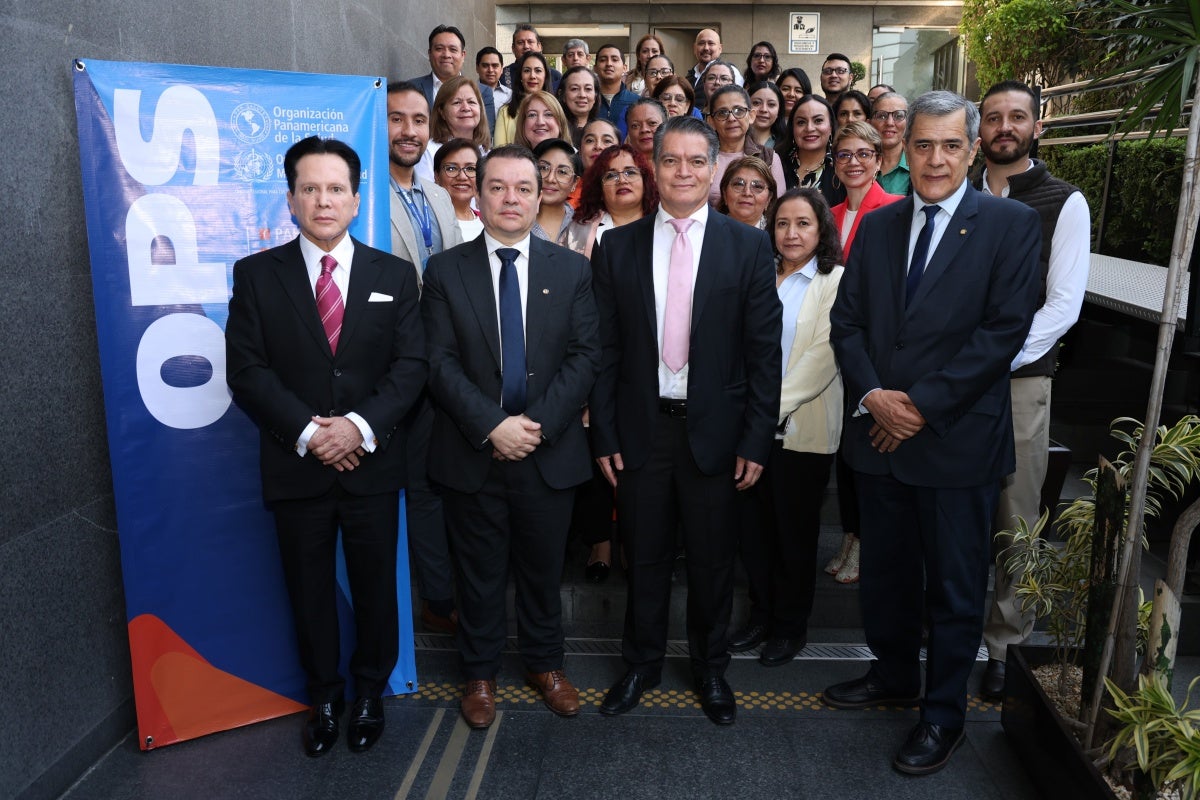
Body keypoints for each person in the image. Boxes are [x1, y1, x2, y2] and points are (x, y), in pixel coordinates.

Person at [824, 91, 1041, 775]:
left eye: (951, 145)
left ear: (973, 148)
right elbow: (848, 325)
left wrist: (916, 407)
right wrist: (876, 398)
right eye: (923, 144)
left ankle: (943, 716)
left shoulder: (1009, 224)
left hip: (955, 442)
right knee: (886, 579)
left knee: (952, 589)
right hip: (880, 439)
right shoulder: (882, 225)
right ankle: (892, 675)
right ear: (904, 148)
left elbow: (1003, 333)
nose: (936, 158)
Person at [225, 136, 427, 756]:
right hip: (298, 466)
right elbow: (248, 372)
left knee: (374, 587)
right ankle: (326, 696)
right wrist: (314, 434)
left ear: (356, 198)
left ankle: (369, 692)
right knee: (306, 589)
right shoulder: (257, 275)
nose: (322, 200)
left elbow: (411, 366)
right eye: (309, 189)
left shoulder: (394, 274)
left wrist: (358, 428)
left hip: (372, 461)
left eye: (335, 188)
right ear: (289, 200)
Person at [590, 115, 782, 726]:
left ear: (713, 171)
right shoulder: (617, 246)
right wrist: (606, 433)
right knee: (643, 557)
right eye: (670, 160)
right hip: (643, 430)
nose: (683, 172)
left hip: (717, 434)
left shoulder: (748, 244)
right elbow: (605, 349)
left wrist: (756, 436)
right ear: (655, 167)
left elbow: (763, 352)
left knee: (711, 560)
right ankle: (641, 665)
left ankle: (709, 667)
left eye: (696, 162)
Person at [421, 144, 600, 730]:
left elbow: (583, 357)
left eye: (523, 187)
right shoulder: (445, 270)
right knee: (477, 573)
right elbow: (439, 362)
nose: (511, 199)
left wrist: (534, 427)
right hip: (474, 450)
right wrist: (492, 425)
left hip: (546, 452)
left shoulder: (572, 269)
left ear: (541, 192)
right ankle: (478, 674)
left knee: (543, 571)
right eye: (497, 187)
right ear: (477, 192)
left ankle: (546, 666)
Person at [975, 80, 1090, 702]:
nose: (1004, 127)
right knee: (956, 515)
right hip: (953, 389)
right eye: (993, 117)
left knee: (1015, 517)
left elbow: (1063, 305)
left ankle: (1005, 646)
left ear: (1036, 128)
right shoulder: (956, 193)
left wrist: (994, 360)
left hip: (1020, 383)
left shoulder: (1064, 202)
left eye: (1016, 117)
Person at [725, 187, 844, 665]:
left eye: (803, 224)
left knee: (793, 536)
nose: (792, 233)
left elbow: (823, 358)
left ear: (821, 230)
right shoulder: (756, 275)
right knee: (752, 534)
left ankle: (790, 627)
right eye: (782, 223)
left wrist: (760, 412)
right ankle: (761, 615)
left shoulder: (835, 280)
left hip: (801, 434)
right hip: (746, 431)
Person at [384, 82, 464, 638]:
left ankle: (451, 590)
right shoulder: (362, 196)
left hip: (451, 366)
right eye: (396, 120)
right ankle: (436, 597)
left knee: (450, 487)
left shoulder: (438, 195)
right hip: (395, 369)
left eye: (418, 120)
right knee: (418, 488)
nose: (410, 132)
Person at [565, 142, 658, 258]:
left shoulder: (665, 223)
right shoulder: (579, 231)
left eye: (630, 172)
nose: (622, 180)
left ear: (645, 183)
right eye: (611, 175)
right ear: (599, 190)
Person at [829, 120, 903, 258]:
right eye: (844, 155)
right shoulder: (829, 215)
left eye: (863, 154)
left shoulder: (898, 208)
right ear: (835, 163)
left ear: (878, 161)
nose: (853, 162)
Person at [410, 26, 496, 141]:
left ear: (463, 55)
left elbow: (485, 134)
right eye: (439, 49)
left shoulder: (483, 91)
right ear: (430, 54)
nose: (446, 55)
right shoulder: (411, 89)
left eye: (453, 49)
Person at [706, 85, 786, 206]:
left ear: (751, 116)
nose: (731, 118)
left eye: (739, 111)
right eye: (722, 113)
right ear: (711, 122)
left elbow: (778, 207)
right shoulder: (701, 157)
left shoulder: (768, 158)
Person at [416, 76, 491, 184]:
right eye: (457, 102)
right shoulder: (428, 152)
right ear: (442, 112)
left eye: (471, 102)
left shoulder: (487, 153)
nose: (465, 108)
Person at [776, 94, 845, 207]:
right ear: (792, 128)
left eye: (818, 121)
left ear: (831, 126)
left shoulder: (842, 168)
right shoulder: (776, 163)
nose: (809, 128)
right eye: (801, 122)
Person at [494, 51, 551, 147]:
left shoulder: (556, 110)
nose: (532, 76)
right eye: (527, 71)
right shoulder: (505, 112)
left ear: (545, 76)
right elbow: (499, 153)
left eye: (538, 70)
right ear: (520, 76)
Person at [532, 138, 580, 245]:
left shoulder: (583, 226)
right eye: (543, 168)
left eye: (562, 172)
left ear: (574, 183)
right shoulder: (516, 220)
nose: (551, 179)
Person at [434, 138, 484, 240]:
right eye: (451, 168)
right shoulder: (430, 222)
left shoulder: (489, 222)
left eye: (470, 169)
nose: (462, 177)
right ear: (437, 176)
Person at [686, 29, 744, 111]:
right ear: (695, 48)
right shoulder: (690, 75)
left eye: (711, 43)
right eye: (701, 43)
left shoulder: (730, 71)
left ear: (720, 48)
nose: (706, 48)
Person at [715, 155, 776, 228]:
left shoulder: (777, 236)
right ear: (725, 194)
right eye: (739, 184)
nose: (747, 193)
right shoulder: (707, 232)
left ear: (769, 199)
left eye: (757, 186)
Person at [595, 44, 640, 139]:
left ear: (624, 68)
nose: (609, 64)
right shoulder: (588, 101)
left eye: (614, 59)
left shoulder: (637, 102)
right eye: (603, 60)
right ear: (595, 68)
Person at [871, 92, 911, 195]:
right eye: (882, 116)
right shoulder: (859, 162)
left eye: (898, 116)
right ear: (870, 122)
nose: (889, 123)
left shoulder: (916, 164)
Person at [501, 24, 562, 91]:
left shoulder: (555, 76)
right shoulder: (502, 75)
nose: (526, 46)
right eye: (520, 42)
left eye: (530, 42)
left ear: (539, 47)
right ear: (513, 48)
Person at [557, 66, 600, 147]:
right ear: (562, 94)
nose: (582, 95)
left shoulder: (602, 129)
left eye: (588, 89)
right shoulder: (554, 130)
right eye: (574, 89)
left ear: (595, 96)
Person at [747, 80, 786, 149]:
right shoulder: (734, 140)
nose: (764, 109)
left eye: (771, 104)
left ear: (779, 110)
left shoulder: (786, 146)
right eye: (756, 103)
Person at [476, 47, 511, 112]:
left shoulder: (510, 96)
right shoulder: (470, 93)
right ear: (477, 68)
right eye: (485, 66)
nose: (490, 70)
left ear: (501, 69)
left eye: (495, 66)